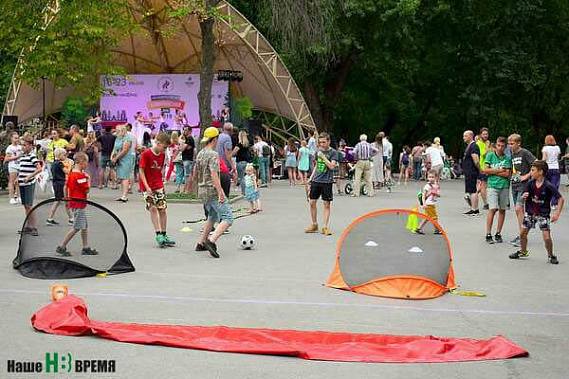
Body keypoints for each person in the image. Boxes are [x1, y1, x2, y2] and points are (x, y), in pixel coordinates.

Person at [509, 160, 564, 264]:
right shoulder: (530, 183)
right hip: (530, 213)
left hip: (543, 214)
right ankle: (523, 251)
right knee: (522, 234)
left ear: (541, 172)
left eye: (533, 170)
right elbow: (524, 194)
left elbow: (561, 199)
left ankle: (551, 255)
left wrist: (557, 214)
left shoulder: (548, 185)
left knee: (547, 237)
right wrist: (524, 196)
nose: (531, 172)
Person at [193, 127, 234, 258]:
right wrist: (220, 192)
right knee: (228, 217)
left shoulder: (200, 153)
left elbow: (195, 173)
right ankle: (211, 241)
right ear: (215, 139)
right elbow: (214, 174)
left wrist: (198, 184)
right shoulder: (213, 154)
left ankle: (201, 243)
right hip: (212, 190)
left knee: (212, 216)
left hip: (203, 189)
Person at [55, 152, 99, 256]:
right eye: (86, 162)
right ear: (82, 162)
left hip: (75, 203)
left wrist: (67, 199)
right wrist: (89, 179)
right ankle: (61, 246)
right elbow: (87, 190)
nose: (87, 165)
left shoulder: (71, 174)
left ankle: (85, 247)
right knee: (77, 227)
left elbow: (66, 187)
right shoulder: (80, 176)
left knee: (84, 226)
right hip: (79, 203)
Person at [138, 133, 175, 248]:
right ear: (158, 143)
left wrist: (162, 184)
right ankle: (158, 233)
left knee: (162, 209)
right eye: (164, 147)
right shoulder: (146, 154)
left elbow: (160, 169)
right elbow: (141, 171)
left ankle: (164, 234)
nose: (165, 150)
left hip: (158, 184)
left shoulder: (162, 155)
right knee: (153, 208)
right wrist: (146, 186)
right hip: (147, 186)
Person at [305, 132, 338, 236]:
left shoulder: (333, 153)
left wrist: (323, 157)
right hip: (316, 180)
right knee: (312, 202)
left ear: (329, 141)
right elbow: (316, 166)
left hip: (327, 181)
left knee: (326, 204)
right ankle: (314, 224)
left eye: (324, 142)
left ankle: (325, 226)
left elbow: (332, 166)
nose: (322, 144)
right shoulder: (318, 151)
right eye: (320, 142)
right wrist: (310, 178)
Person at [508, 133, 536, 247]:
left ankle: (522, 236)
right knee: (519, 210)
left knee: (519, 208)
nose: (510, 146)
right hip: (514, 184)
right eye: (509, 144)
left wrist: (527, 175)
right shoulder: (511, 154)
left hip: (524, 185)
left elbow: (536, 163)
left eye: (512, 143)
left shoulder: (524, 152)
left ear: (518, 143)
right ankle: (522, 234)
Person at [484, 137, 512, 244]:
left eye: (502, 146)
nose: (500, 148)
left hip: (504, 186)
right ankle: (488, 233)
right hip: (492, 186)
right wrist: (500, 170)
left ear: (505, 147)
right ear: (495, 145)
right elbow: (486, 170)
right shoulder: (490, 155)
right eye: (498, 145)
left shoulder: (507, 158)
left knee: (502, 209)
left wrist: (493, 171)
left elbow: (507, 174)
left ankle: (498, 233)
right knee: (493, 208)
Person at [18, 136, 43, 236]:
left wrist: (29, 176)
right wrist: (17, 178)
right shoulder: (23, 156)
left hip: (28, 183)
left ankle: (34, 227)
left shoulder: (32, 156)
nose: (22, 147)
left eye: (24, 145)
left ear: (31, 146)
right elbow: (22, 169)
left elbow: (39, 168)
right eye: (22, 145)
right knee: (25, 206)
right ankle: (29, 226)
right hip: (22, 183)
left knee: (29, 205)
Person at [46, 148, 72, 226]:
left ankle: (50, 218)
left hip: (55, 183)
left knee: (57, 201)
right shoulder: (60, 163)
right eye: (64, 155)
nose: (65, 157)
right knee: (66, 200)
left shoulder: (53, 164)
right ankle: (71, 218)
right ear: (59, 155)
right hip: (61, 183)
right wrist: (70, 165)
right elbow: (67, 172)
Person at [111, 124, 134, 202]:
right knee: (121, 177)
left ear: (122, 131)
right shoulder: (118, 138)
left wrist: (116, 158)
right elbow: (114, 148)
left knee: (125, 177)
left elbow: (125, 150)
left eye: (117, 131)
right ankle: (123, 195)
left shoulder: (127, 138)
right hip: (119, 159)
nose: (116, 132)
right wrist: (112, 156)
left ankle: (125, 196)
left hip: (125, 159)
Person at [414, 170, 442, 235]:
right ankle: (437, 229)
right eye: (429, 177)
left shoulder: (436, 186)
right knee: (434, 217)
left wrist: (435, 193)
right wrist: (424, 203)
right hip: (429, 204)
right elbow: (423, 195)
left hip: (432, 203)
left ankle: (419, 228)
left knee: (427, 217)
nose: (431, 178)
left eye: (432, 177)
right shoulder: (427, 186)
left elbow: (439, 195)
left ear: (436, 178)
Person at [462, 130, 481, 215]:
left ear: (470, 136)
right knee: (471, 190)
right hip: (469, 171)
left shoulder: (474, 146)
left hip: (472, 171)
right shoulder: (470, 146)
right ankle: (474, 208)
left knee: (473, 190)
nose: (464, 138)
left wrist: (480, 169)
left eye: (465, 136)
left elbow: (476, 159)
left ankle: (474, 209)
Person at [541, 135, 561, 207]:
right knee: (555, 185)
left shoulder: (545, 148)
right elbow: (557, 158)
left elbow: (544, 159)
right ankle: (554, 203)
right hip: (556, 168)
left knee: (545, 184)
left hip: (547, 168)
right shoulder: (557, 148)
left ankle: (545, 200)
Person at [217, 122, 237, 189]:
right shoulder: (227, 138)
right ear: (231, 130)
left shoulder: (219, 136)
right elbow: (227, 153)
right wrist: (232, 165)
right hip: (224, 165)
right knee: (225, 186)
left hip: (217, 162)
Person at [5, 132, 22, 204]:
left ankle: (18, 196)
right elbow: (7, 158)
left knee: (18, 182)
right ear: (11, 139)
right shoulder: (10, 148)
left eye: (18, 138)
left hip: (20, 166)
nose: (17, 139)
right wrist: (16, 157)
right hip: (13, 166)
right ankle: (11, 197)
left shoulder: (20, 147)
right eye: (15, 138)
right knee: (12, 182)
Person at [233, 130, 251, 195]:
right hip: (245, 162)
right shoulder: (246, 145)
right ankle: (247, 190)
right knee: (244, 176)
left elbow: (233, 152)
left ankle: (243, 192)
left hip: (239, 161)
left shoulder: (239, 145)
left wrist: (233, 153)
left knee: (241, 177)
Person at [476, 127, 491, 210]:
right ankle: (486, 203)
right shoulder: (478, 143)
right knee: (483, 185)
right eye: (484, 134)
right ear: (480, 135)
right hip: (482, 167)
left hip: (487, 167)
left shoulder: (485, 143)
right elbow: (484, 154)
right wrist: (487, 146)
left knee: (482, 185)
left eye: (487, 134)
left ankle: (472, 196)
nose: (486, 136)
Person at [182, 128, 196, 194]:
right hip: (186, 159)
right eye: (184, 130)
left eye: (186, 130)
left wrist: (182, 146)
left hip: (188, 159)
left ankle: (188, 190)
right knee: (187, 175)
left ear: (190, 131)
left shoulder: (189, 139)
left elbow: (182, 148)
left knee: (188, 175)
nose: (184, 131)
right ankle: (186, 189)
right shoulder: (187, 139)